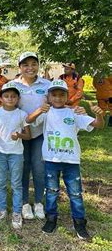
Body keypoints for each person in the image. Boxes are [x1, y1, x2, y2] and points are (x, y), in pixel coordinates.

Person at [26, 80, 104, 240]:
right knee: (52, 191)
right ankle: (51, 219)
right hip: (51, 160)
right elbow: (28, 120)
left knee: (75, 193)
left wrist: (99, 114)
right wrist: (40, 110)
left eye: (62, 95)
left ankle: (80, 222)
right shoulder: (46, 113)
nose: (58, 98)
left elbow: (97, 125)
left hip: (71, 161)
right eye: (54, 95)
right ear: (48, 97)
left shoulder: (75, 113)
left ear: (67, 96)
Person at [12, 52, 50, 221]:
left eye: (33, 64)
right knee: (23, 167)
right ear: (19, 67)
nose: (30, 68)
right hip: (21, 133)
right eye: (25, 64)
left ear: (38, 66)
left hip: (41, 132)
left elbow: (58, 102)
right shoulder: (13, 85)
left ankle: (39, 202)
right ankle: (25, 203)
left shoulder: (47, 85)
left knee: (39, 168)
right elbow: (7, 104)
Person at [0, 82, 31, 230]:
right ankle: (1, 211)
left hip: (16, 153)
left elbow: (28, 135)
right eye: (6, 96)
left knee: (16, 184)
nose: (10, 99)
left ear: (18, 99)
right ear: (1, 98)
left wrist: (19, 135)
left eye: (13, 96)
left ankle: (16, 212)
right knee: (0, 182)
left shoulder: (22, 114)